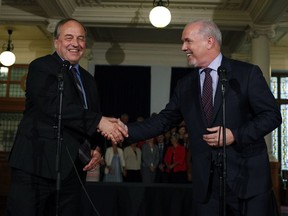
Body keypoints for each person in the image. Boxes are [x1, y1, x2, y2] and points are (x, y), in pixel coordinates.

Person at [126, 20, 282, 216]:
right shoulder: (185, 85)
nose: (183, 47)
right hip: (207, 188)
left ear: (209, 41)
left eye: (188, 41)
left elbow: (271, 115)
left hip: (248, 182)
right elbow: (163, 120)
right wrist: (124, 130)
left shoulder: (246, 74)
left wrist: (235, 134)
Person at [5, 18, 128, 216]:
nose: (75, 43)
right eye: (69, 37)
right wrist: (99, 122)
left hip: (72, 171)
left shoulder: (89, 80)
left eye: (80, 39)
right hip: (35, 166)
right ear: (56, 42)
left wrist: (97, 147)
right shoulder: (41, 67)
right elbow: (54, 106)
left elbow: (92, 113)